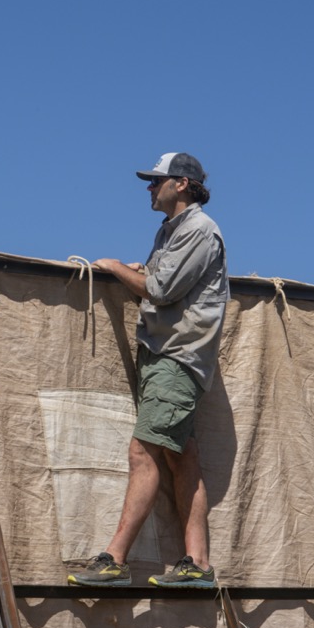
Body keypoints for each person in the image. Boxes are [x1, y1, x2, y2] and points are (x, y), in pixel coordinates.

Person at [67, 152, 229, 589]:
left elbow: (160, 291)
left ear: (181, 184)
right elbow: (164, 279)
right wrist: (142, 269)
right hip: (168, 356)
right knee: (181, 456)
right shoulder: (170, 231)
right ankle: (197, 564)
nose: (148, 188)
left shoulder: (198, 230)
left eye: (155, 180)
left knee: (143, 452)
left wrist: (116, 268)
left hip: (176, 358)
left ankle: (115, 559)